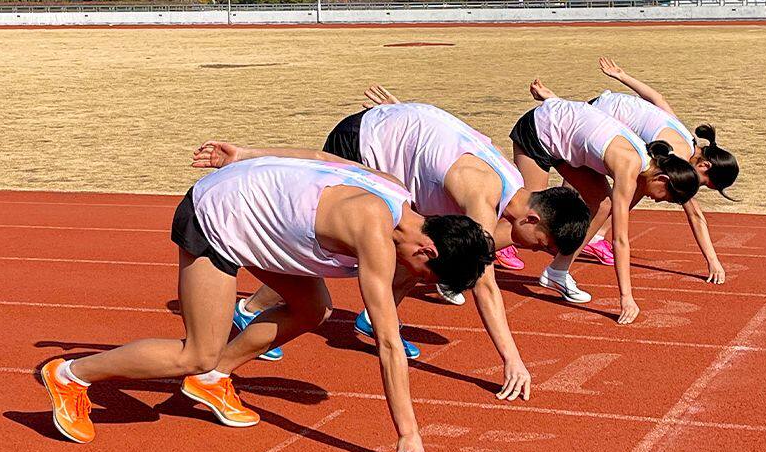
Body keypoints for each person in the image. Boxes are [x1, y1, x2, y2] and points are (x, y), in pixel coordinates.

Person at [41, 151, 494, 452]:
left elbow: (318, 157)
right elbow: (389, 342)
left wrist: (244, 154)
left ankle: (214, 379)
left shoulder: (396, 191)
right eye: (425, 276)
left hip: (255, 211)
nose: (413, 281)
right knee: (196, 353)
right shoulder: (374, 231)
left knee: (313, 309)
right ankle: (70, 375)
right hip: (215, 218)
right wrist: (408, 434)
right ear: (426, 249)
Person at [202, 100, 590, 401]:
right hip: (362, 141)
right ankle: (250, 310)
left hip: (387, 132)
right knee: (330, 245)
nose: (537, 253)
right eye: (544, 246)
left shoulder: (510, 180)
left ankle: (372, 320)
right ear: (534, 221)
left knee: (417, 250)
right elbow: (483, 284)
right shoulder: (482, 199)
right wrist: (512, 360)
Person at [510, 80, 700, 323]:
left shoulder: (642, 155)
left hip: (559, 134)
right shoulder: (628, 166)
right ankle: (462, 260)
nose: (656, 200)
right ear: (662, 179)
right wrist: (626, 297)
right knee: (524, 215)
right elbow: (619, 239)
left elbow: (588, 120)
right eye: (665, 198)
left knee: (603, 205)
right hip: (537, 133)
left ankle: (557, 271)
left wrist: (553, 99)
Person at [579, 56, 739, 283]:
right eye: (703, 182)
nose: (695, 186)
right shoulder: (678, 156)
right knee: (639, 184)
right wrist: (713, 261)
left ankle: (587, 231)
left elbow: (656, 98)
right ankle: (594, 236)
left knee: (592, 179)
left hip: (600, 108)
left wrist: (622, 76)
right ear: (704, 165)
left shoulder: (686, 137)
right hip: (597, 118)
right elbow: (694, 213)